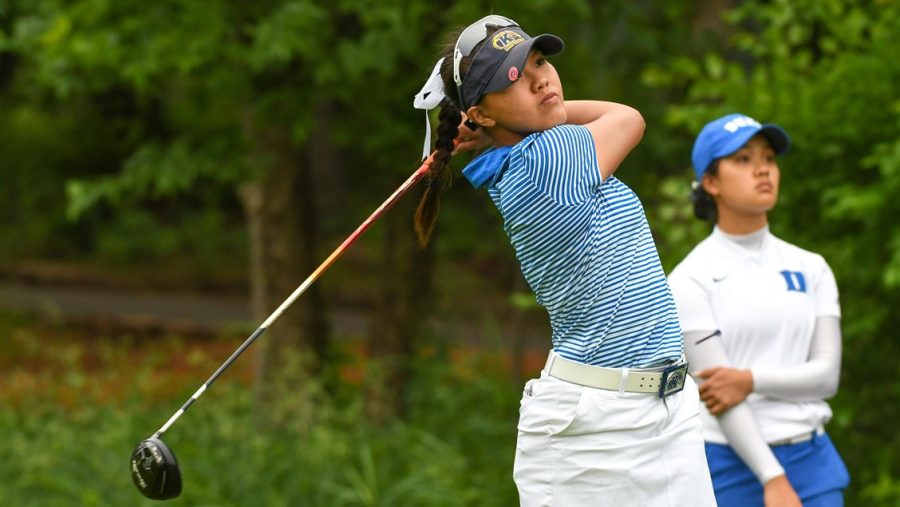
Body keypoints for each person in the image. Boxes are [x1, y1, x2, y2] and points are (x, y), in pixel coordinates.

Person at [412, 15, 716, 506]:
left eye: (539, 62)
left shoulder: (527, 156)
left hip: (663, 412)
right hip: (596, 430)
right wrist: (513, 123)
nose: (540, 78)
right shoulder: (546, 159)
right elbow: (629, 118)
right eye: (512, 78)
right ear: (481, 114)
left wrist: (499, 125)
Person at [667, 113, 851, 506]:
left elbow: (827, 376)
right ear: (711, 182)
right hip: (730, 466)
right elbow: (719, 394)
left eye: (768, 157)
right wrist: (772, 477)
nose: (763, 169)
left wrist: (749, 379)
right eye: (744, 160)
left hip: (812, 459)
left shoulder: (811, 267)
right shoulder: (690, 278)